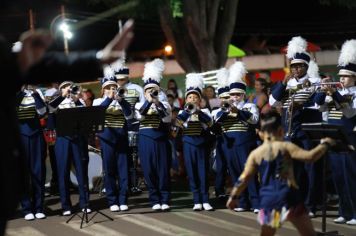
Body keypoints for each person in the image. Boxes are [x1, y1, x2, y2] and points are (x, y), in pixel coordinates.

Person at [0, 19, 134, 236]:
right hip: (53, 138)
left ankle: (78, 203)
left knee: (40, 171)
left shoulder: (22, 74)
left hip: (69, 137)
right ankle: (48, 205)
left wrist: (98, 58)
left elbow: (38, 66)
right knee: (57, 172)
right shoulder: (28, 94)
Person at [226, 110, 335, 236]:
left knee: (267, 234)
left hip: (269, 200)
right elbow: (310, 157)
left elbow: (244, 178)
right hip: (289, 198)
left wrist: (233, 197)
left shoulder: (256, 153)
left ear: (261, 134)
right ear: (281, 131)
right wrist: (325, 144)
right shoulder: (286, 146)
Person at [269, 36, 323, 217]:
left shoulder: (315, 82)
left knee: (310, 170)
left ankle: (310, 204)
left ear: (306, 67)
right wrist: (283, 82)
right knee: (291, 170)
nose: (296, 69)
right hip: (290, 132)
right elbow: (272, 101)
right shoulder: (287, 83)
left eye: (299, 66)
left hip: (308, 131)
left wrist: (301, 105)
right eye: (293, 66)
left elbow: (318, 105)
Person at [314, 39, 356, 225]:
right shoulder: (334, 92)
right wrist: (323, 91)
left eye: (346, 77)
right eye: (341, 76)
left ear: (354, 78)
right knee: (338, 177)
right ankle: (344, 212)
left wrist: (335, 94)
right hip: (333, 138)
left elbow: (349, 112)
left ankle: (355, 213)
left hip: (350, 139)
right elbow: (320, 108)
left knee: (351, 177)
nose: (341, 80)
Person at [213, 62, 260, 213]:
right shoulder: (223, 109)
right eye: (232, 95)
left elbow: (254, 120)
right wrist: (225, 112)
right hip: (230, 146)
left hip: (245, 144)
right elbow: (215, 125)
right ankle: (243, 202)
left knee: (249, 174)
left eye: (238, 94)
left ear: (243, 95)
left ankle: (256, 203)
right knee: (235, 175)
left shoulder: (249, 106)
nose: (235, 97)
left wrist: (237, 111)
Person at [93, 67, 133, 212]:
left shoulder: (121, 101)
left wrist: (121, 101)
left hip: (121, 139)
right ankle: (112, 200)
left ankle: (123, 199)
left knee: (123, 171)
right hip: (107, 140)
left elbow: (129, 116)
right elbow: (98, 113)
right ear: (103, 90)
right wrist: (110, 99)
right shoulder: (98, 101)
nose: (112, 90)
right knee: (109, 171)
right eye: (108, 88)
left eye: (114, 88)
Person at [135, 59, 172, 211]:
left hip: (161, 139)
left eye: (154, 90)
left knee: (163, 169)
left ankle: (165, 199)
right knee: (149, 170)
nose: (151, 92)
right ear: (144, 93)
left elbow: (167, 118)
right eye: (148, 90)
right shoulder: (139, 104)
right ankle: (154, 198)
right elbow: (140, 117)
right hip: (145, 139)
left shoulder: (165, 105)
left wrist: (157, 103)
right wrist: (149, 102)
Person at [176, 73, 214, 211]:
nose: (192, 99)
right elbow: (177, 124)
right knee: (191, 172)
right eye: (190, 97)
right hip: (188, 145)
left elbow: (210, 124)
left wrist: (198, 112)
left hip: (202, 145)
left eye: (195, 97)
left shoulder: (204, 111)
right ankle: (197, 200)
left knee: (203, 172)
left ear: (199, 99)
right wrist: (188, 112)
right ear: (186, 100)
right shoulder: (182, 113)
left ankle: (205, 199)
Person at [111, 58, 145, 194]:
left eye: (122, 79)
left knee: (134, 156)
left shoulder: (137, 89)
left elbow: (142, 107)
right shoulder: (112, 89)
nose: (120, 82)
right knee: (121, 156)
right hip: (117, 126)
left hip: (133, 126)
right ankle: (123, 185)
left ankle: (134, 184)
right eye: (118, 79)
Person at [16, 85, 47, 220]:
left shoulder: (37, 92)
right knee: (23, 173)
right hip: (20, 136)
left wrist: (34, 93)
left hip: (36, 136)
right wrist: (21, 91)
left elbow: (42, 112)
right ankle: (26, 207)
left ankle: (39, 207)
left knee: (38, 171)